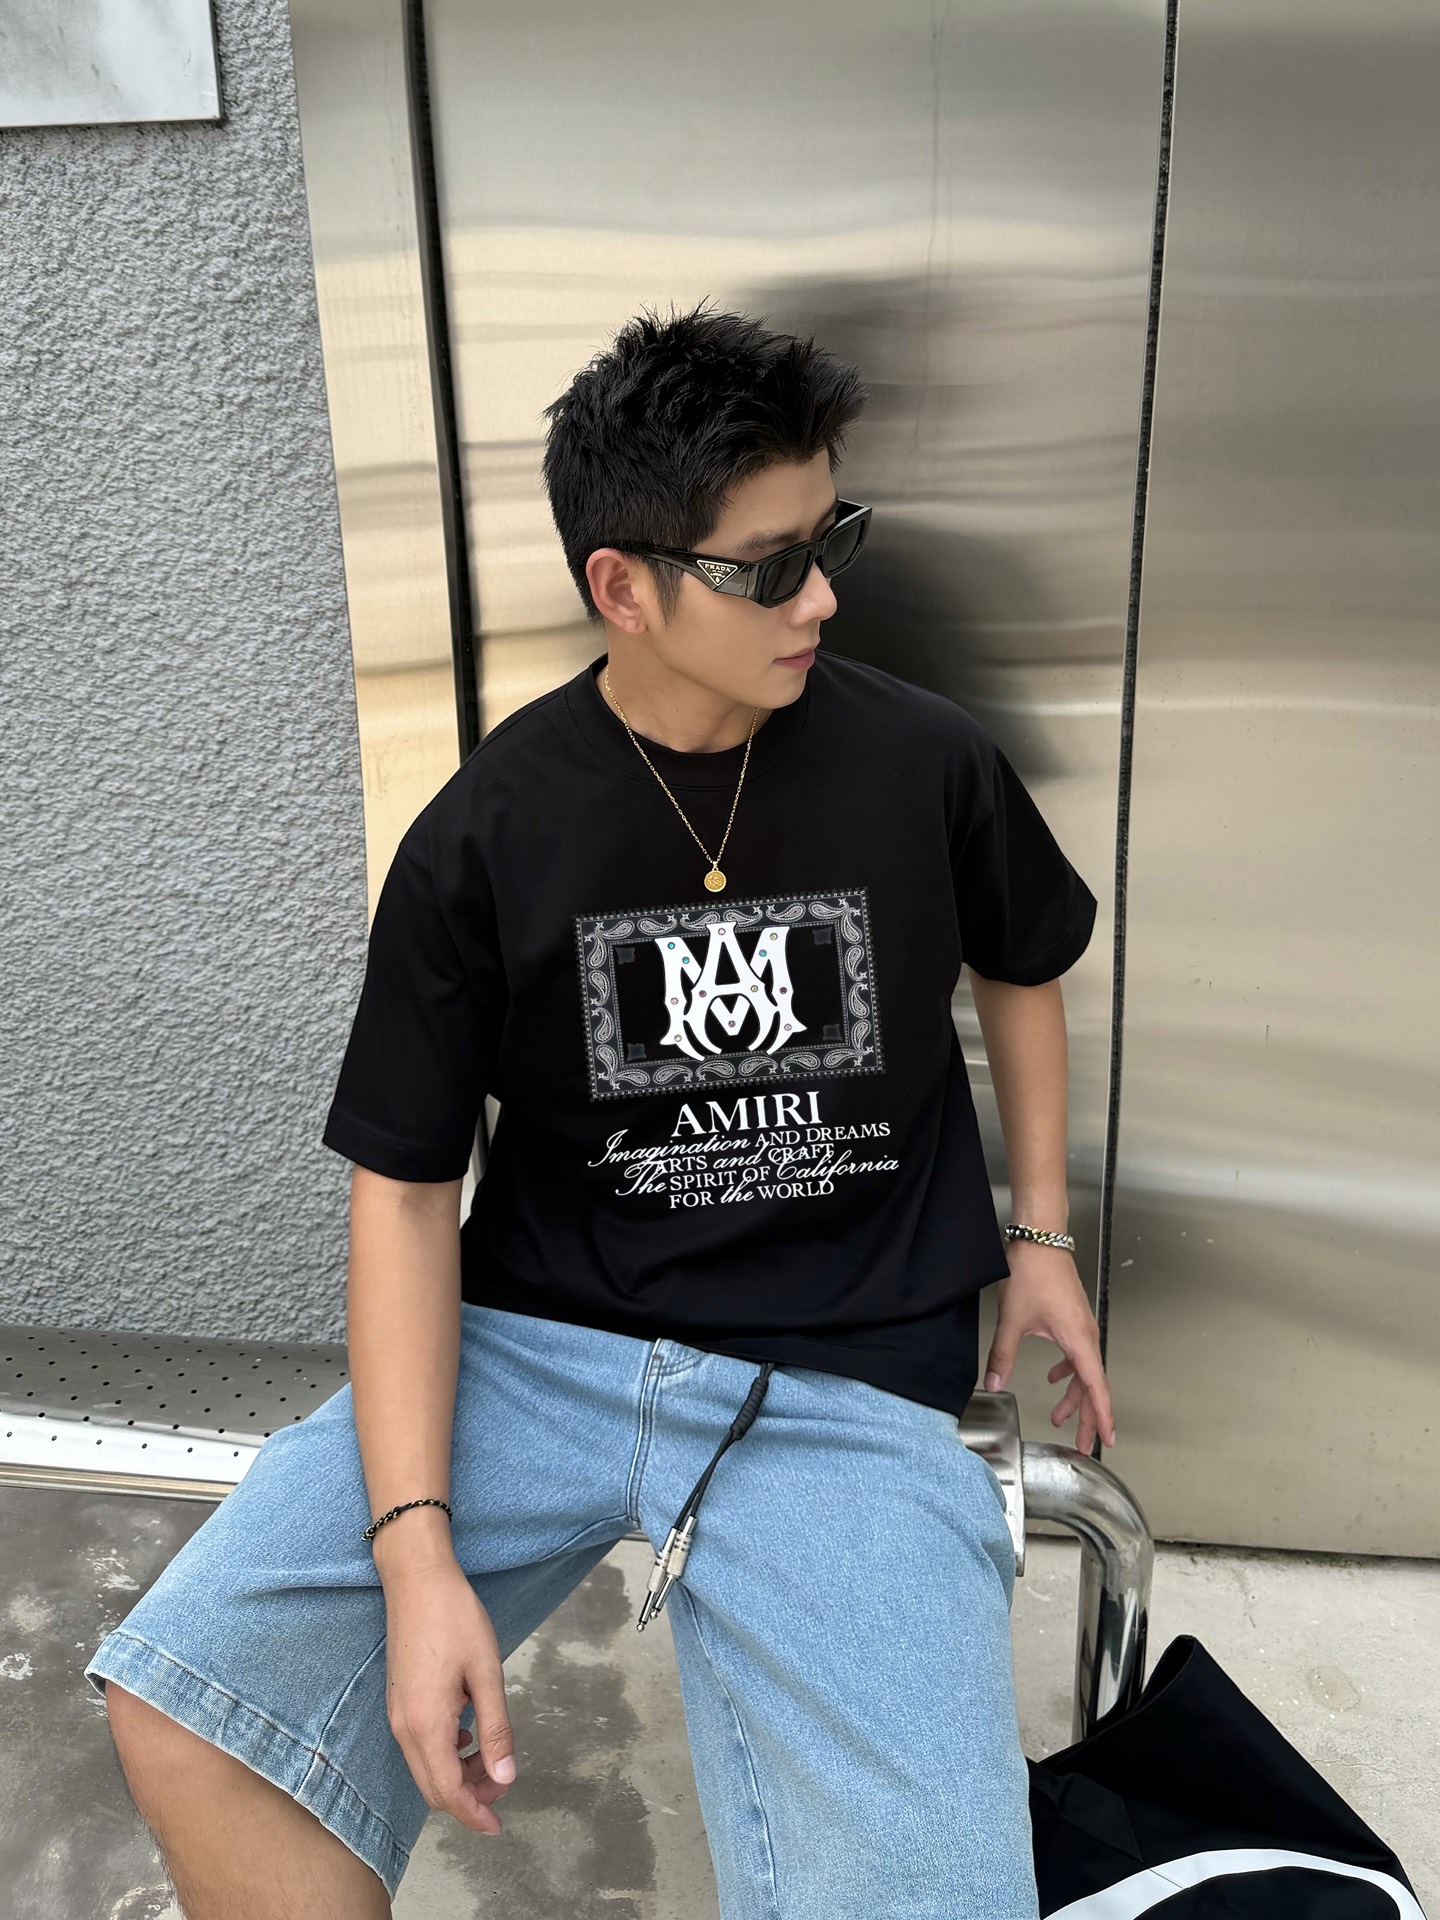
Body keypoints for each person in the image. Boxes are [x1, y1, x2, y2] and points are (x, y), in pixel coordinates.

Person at [84, 299, 1116, 1919]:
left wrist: (1040, 1236)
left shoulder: (925, 764)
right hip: (539, 1349)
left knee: (927, 1893)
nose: (823, 596)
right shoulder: (487, 836)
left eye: (830, 538)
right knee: (193, 1706)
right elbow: (406, 1193)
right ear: (622, 588)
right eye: (770, 565)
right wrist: (415, 1553)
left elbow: (1023, 957)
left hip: (840, 1377)